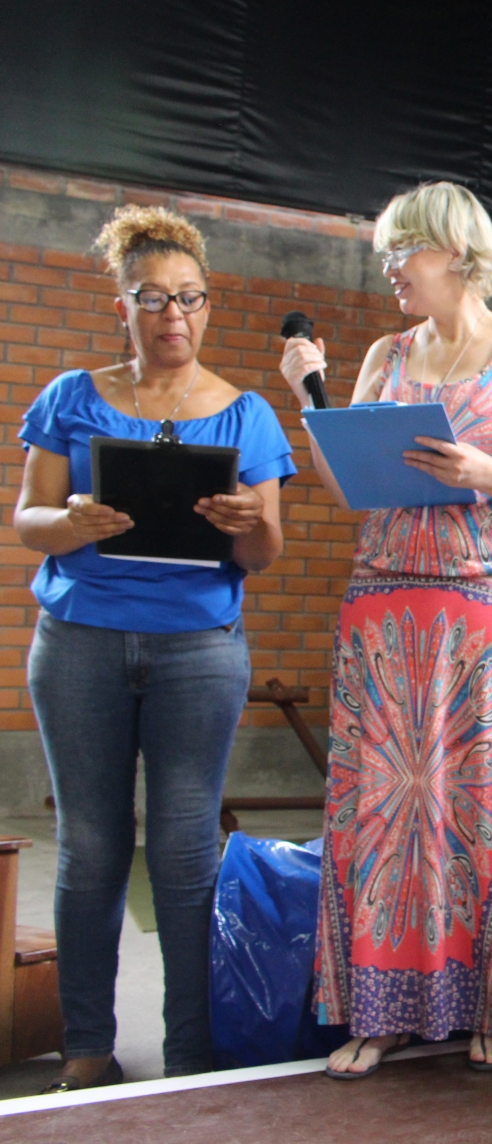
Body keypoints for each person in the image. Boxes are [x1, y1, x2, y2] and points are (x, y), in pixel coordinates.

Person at [279, 182, 492, 1077]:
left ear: (456, 252)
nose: (389, 268)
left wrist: (480, 469)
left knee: (489, 814)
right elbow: (348, 486)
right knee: (386, 820)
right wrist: (309, 401)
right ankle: (382, 1013)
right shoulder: (387, 354)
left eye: (402, 249)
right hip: (386, 617)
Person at [15, 206, 293, 1091]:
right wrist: (69, 521)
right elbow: (28, 520)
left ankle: (188, 1054)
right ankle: (86, 1047)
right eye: (154, 298)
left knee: (182, 850)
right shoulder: (71, 397)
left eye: (191, 297)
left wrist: (248, 522)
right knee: (92, 847)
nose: (175, 314)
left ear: (208, 305)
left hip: (198, 651)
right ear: (122, 306)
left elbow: (264, 553)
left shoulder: (246, 415)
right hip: (80, 644)